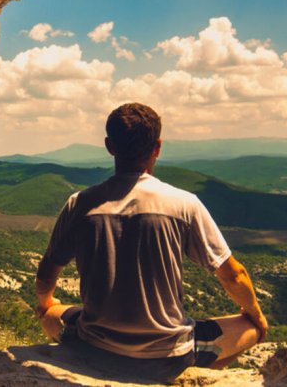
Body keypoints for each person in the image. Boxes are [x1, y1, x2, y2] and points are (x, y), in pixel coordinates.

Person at [34, 103, 267, 369]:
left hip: (96, 348)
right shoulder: (183, 204)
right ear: (157, 147)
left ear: (110, 146)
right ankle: (196, 375)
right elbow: (233, 276)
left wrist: (45, 302)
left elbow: (47, 272)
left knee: (49, 313)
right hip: (168, 354)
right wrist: (255, 314)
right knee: (251, 328)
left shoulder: (80, 204)